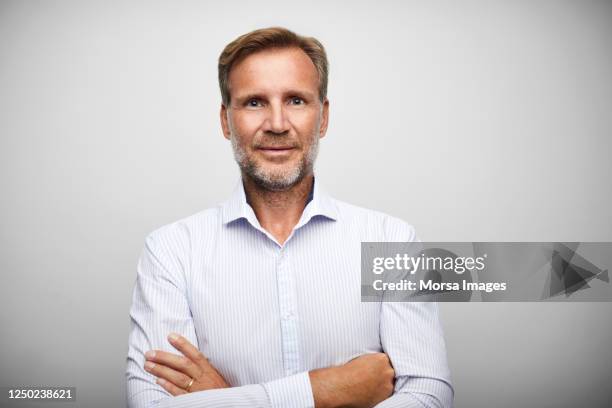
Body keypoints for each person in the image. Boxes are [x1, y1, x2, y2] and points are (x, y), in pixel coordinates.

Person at [126, 27, 453, 408]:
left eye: (296, 100)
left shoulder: (391, 239)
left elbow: (430, 397)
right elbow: (150, 406)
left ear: (323, 117)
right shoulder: (171, 251)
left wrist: (224, 400)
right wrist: (324, 391)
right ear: (225, 120)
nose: (278, 123)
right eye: (254, 103)